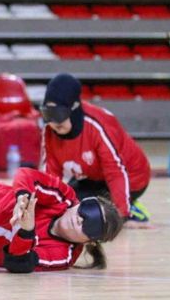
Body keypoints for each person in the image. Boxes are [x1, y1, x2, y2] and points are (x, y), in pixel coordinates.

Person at [40, 73, 152, 228]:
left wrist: (121, 215)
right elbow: (51, 174)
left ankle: (131, 209)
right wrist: (46, 211)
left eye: (59, 114)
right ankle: (115, 203)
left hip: (132, 176)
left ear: (73, 108)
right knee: (67, 205)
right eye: (48, 114)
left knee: (90, 214)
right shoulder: (49, 131)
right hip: (95, 176)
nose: (54, 122)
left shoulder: (98, 126)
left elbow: (115, 172)